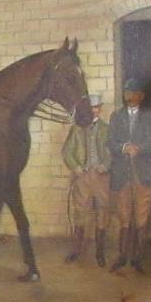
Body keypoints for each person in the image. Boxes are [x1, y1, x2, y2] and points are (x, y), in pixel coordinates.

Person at [106, 79, 151, 273]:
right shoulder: (116, 117)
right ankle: (122, 257)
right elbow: (110, 142)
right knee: (124, 218)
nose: (129, 96)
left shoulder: (149, 118)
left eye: (133, 92)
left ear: (141, 96)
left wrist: (139, 148)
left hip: (142, 175)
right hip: (122, 175)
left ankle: (138, 258)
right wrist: (124, 148)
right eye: (126, 92)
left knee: (141, 219)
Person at [62, 92, 111, 265]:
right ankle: (76, 251)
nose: (93, 111)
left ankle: (100, 253)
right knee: (80, 213)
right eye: (91, 108)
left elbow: (112, 151)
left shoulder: (107, 129)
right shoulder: (76, 129)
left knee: (102, 212)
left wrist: (105, 165)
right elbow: (67, 151)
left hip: (101, 177)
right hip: (82, 177)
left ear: (100, 109)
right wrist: (76, 167)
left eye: (96, 108)